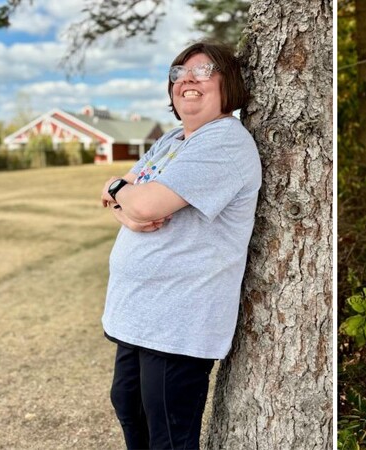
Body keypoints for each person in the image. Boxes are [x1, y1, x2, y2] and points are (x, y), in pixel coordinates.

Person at [99, 41, 261, 449]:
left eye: (203, 71)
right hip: (138, 311)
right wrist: (124, 202)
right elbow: (117, 192)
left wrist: (126, 196)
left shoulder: (225, 142)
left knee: (169, 432)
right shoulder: (173, 140)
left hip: (179, 318)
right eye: (178, 73)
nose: (187, 79)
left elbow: (143, 201)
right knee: (129, 405)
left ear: (229, 83)